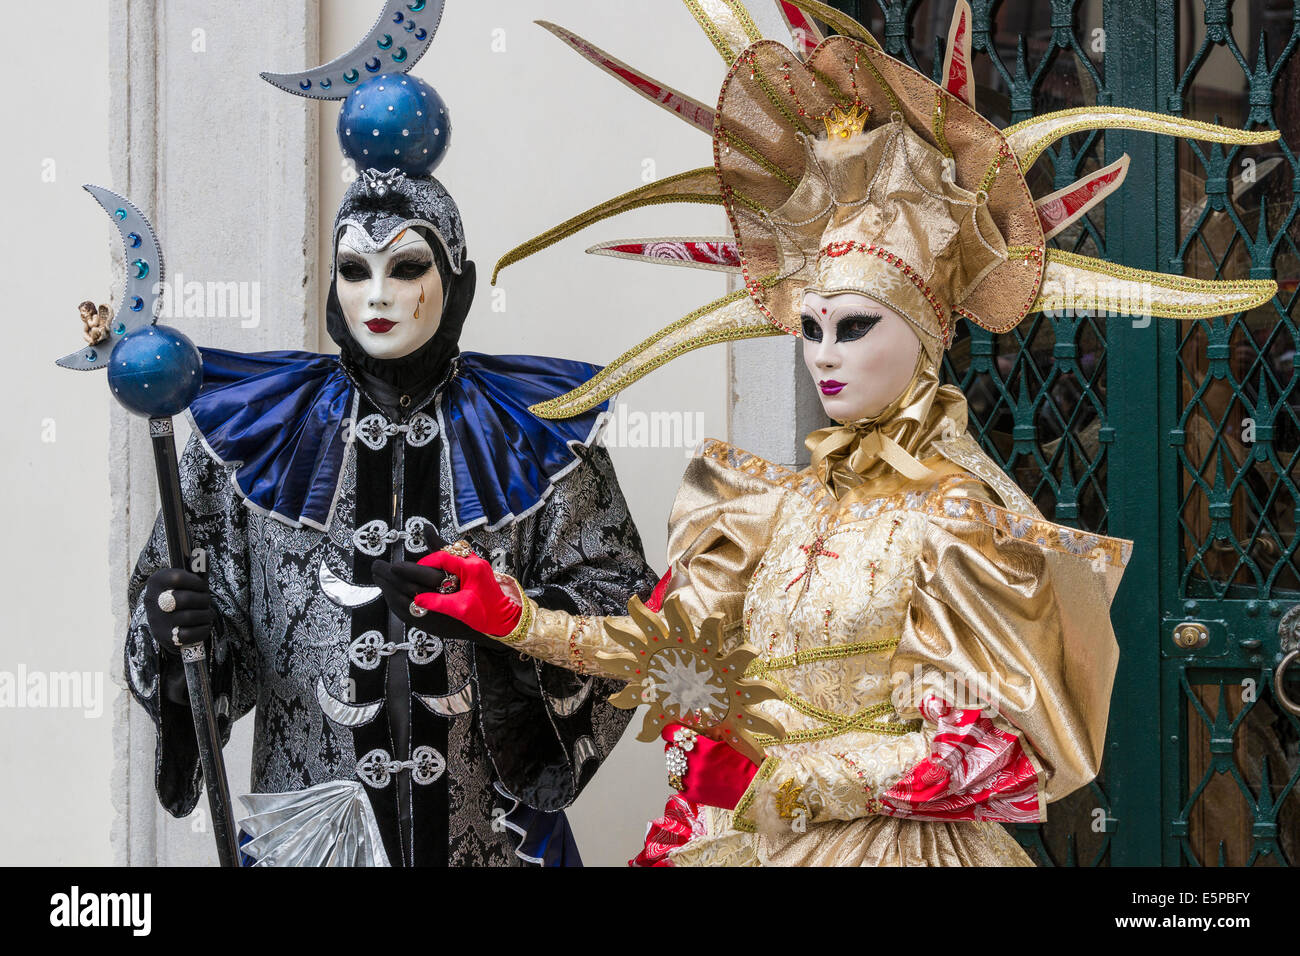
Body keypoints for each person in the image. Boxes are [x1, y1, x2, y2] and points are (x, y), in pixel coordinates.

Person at [408, 1, 1278, 866]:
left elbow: (984, 756)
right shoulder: (764, 503)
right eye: (812, 327)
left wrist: (776, 780)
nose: (824, 357)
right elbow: (669, 648)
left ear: (928, 335)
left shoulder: (955, 521)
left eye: (855, 327)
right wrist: (515, 616)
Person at [123, 69, 657, 866]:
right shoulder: (251, 434)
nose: (377, 295)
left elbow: (623, 620)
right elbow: (190, 628)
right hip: (309, 841)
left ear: (460, 285)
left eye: (408, 268)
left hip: (492, 844)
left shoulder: (542, 433)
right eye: (354, 270)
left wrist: (506, 624)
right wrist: (176, 640)